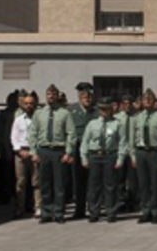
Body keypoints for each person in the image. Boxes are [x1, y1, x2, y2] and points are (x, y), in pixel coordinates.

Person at [29, 85, 75, 224]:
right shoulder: (39, 113)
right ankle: (46, 212)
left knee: (59, 185)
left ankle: (59, 213)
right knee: (45, 183)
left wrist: (68, 152)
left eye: (53, 94)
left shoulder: (64, 113)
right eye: (49, 93)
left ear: (57, 96)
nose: (51, 96)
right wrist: (33, 152)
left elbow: (71, 134)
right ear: (46, 95)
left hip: (58, 151)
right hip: (43, 151)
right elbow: (33, 133)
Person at [80, 97, 125, 223]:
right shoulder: (92, 124)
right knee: (94, 186)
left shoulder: (117, 124)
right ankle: (94, 212)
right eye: (102, 109)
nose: (104, 111)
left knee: (110, 186)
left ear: (111, 109)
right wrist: (84, 157)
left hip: (110, 155)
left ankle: (111, 211)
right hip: (95, 156)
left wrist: (120, 158)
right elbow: (85, 141)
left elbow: (122, 142)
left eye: (106, 109)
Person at [130, 89, 157, 224]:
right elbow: (131, 138)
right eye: (145, 99)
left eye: (150, 99)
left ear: (154, 101)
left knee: (156, 183)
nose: (147, 101)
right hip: (141, 152)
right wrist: (133, 155)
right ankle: (145, 210)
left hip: (155, 152)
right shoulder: (136, 118)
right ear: (141, 102)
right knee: (143, 184)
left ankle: (155, 211)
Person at [68, 82, 98, 219]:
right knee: (78, 180)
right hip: (77, 147)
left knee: (92, 181)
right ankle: (79, 209)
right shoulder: (71, 111)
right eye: (84, 96)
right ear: (79, 96)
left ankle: (92, 209)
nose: (87, 99)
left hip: (92, 149)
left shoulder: (96, 111)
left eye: (89, 96)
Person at [11, 92, 40, 219]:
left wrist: (35, 152)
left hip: (35, 153)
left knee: (36, 182)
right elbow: (13, 137)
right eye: (26, 103)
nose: (28, 106)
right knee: (21, 182)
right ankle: (20, 208)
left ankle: (38, 207)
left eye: (31, 103)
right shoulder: (18, 120)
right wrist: (19, 151)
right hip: (21, 153)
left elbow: (41, 136)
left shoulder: (39, 119)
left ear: (35, 104)